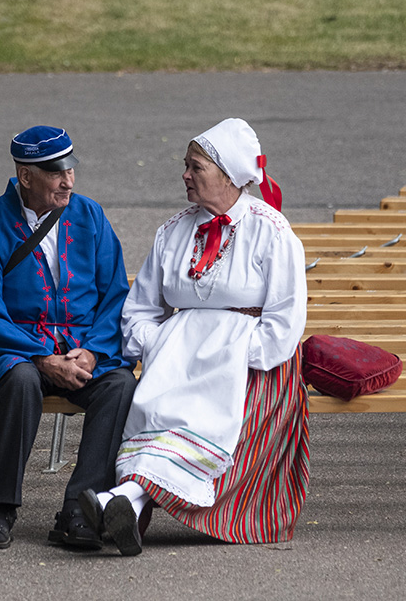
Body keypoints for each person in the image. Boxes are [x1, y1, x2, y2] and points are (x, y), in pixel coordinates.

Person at [78, 118, 309, 556]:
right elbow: (140, 311)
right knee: (158, 411)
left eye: (195, 167)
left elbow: (284, 321)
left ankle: (120, 498)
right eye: (185, 165)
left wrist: (230, 356)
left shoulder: (272, 232)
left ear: (227, 174)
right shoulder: (173, 231)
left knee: (198, 418)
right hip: (177, 362)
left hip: (252, 366)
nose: (184, 174)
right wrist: (163, 346)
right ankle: (122, 501)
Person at [0, 125, 137, 550]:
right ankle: (1, 509)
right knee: (20, 381)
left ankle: (79, 509)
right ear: (25, 177)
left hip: (80, 347)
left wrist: (93, 354)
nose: (68, 180)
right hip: (14, 349)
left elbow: (115, 294)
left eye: (71, 169)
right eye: (56, 172)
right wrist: (42, 358)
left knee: (119, 385)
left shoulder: (91, 216)